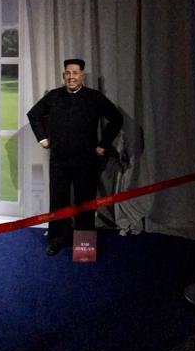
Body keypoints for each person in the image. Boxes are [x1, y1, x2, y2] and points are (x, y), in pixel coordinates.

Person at [27, 58, 123, 256]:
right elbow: (33, 115)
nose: (71, 77)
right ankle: (55, 240)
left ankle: (84, 246)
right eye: (68, 73)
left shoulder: (94, 97)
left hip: (85, 160)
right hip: (59, 160)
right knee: (58, 202)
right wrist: (42, 138)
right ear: (64, 75)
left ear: (82, 75)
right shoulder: (54, 96)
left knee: (85, 202)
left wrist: (103, 144)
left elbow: (116, 118)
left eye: (75, 73)